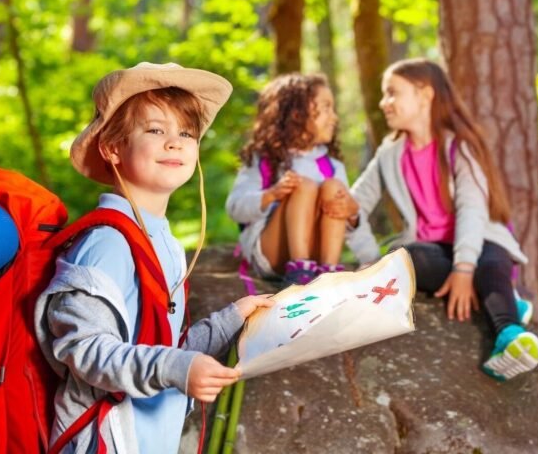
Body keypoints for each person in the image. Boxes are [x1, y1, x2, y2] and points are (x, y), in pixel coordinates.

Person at [35, 62, 273, 453]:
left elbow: (163, 344)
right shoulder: (107, 242)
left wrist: (232, 318)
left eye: (186, 132)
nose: (175, 142)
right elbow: (86, 351)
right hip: (104, 440)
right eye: (155, 130)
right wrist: (178, 368)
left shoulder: (164, 241)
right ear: (112, 148)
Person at [346, 58, 538, 381]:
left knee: (490, 260)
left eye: (392, 93)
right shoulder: (389, 153)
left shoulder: (459, 147)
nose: (384, 103)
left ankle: (509, 335)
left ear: (425, 95)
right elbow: (354, 205)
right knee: (407, 258)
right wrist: (368, 257)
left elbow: (472, 209)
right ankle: (505, 297)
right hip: (432, 253)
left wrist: (464, 270)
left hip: (477, 243)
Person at [226, 73, 358, 286]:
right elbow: (235, 208)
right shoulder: (264, 159)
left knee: (335, 188)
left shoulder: (332, 166)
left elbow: (349, 227)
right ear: (297, 114)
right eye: (325, 108)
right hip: (273, 254)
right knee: (302, 185)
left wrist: (352, 212)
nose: (334, 117)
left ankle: (329, 272)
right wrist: (271, 195)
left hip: (318, 254)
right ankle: (299, 271)